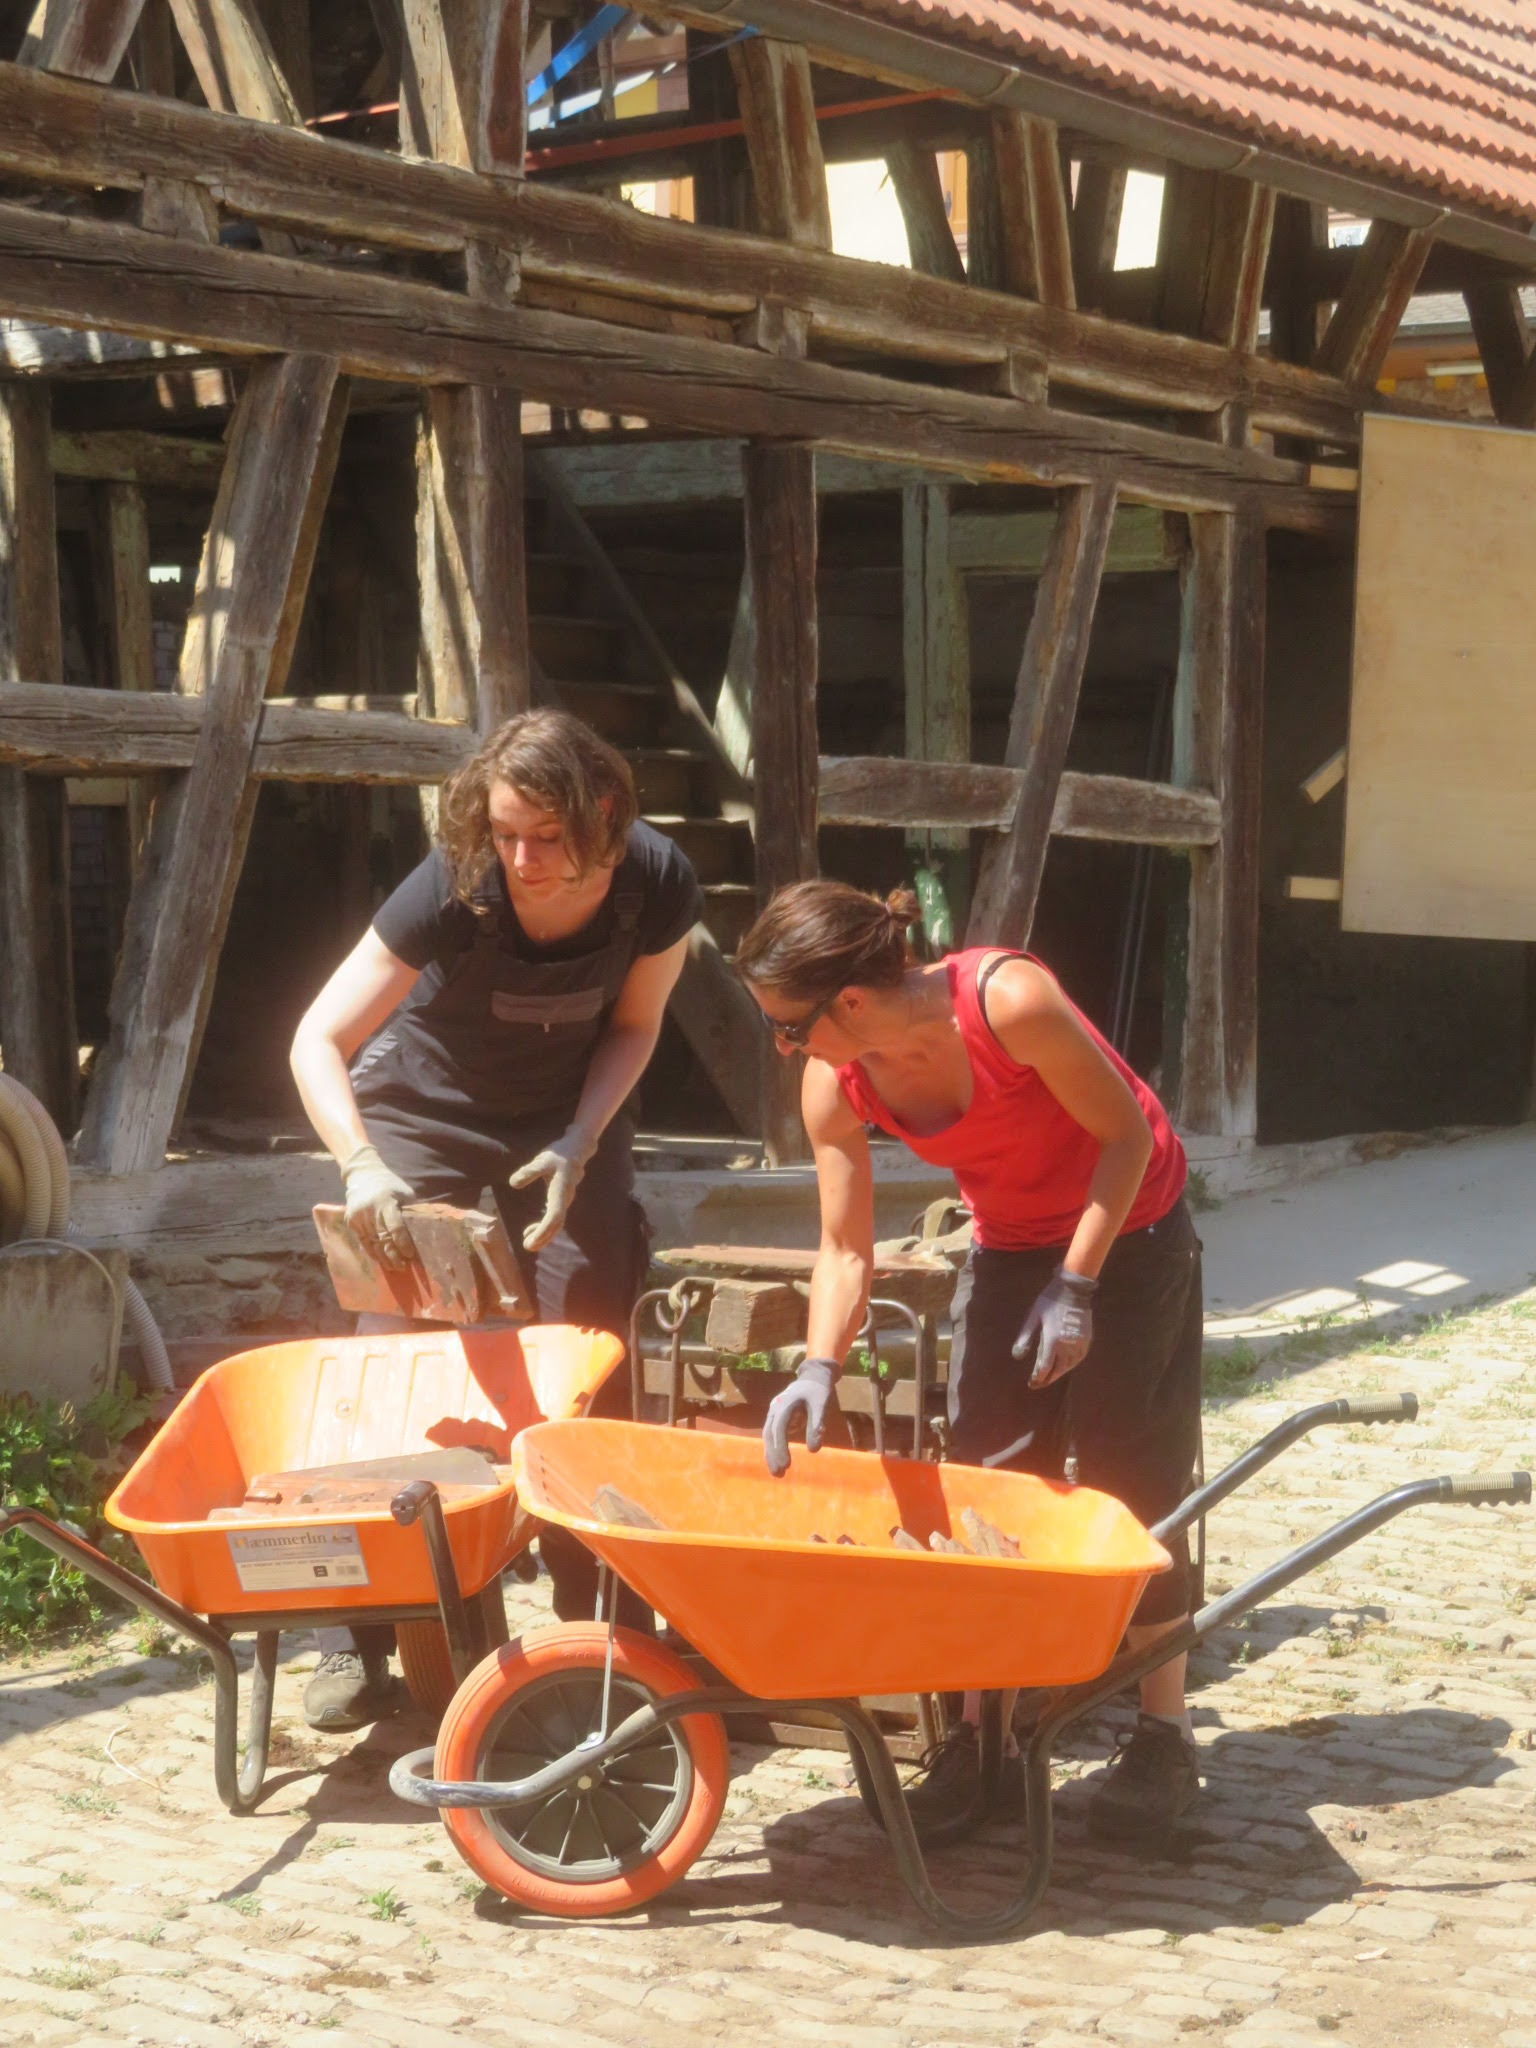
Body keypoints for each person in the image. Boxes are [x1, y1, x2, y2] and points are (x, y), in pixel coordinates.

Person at [734, 880, 1203, 1841]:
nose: (784, 1047)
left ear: (851, 1004)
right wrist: (817, 1366)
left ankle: (1164, 1734)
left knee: (1132, 1481)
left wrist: (1077, 1284)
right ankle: (980, 1739)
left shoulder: (1008, 1004)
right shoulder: (837, 1079)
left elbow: (1122, 1137)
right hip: (1009, 1242)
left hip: (1133, 1225)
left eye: (789, 1026)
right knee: (984, 1483)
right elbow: (845, 1246)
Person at [290, 709, 701, 1730]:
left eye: (545, 838)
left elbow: (639, 1023)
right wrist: (362, 1166)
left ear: (604, 814)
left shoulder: (658, 882)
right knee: (389, 1360)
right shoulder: (455, 880)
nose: (519, 858)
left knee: (587, 1353)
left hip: (560, 1126)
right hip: (422, 1122)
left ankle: (598, 1614)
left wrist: (582, 1139)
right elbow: (315, 1038)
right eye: (504, 831)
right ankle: (360, 1632)